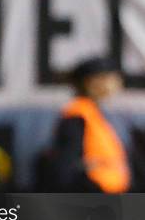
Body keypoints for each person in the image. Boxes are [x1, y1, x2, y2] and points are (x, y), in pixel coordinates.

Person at [42, 57, 132, 193]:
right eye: (108, 78)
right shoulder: (77, 115)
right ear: (91, 82)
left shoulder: (97, 113)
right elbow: (66, 169)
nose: (115, 83)